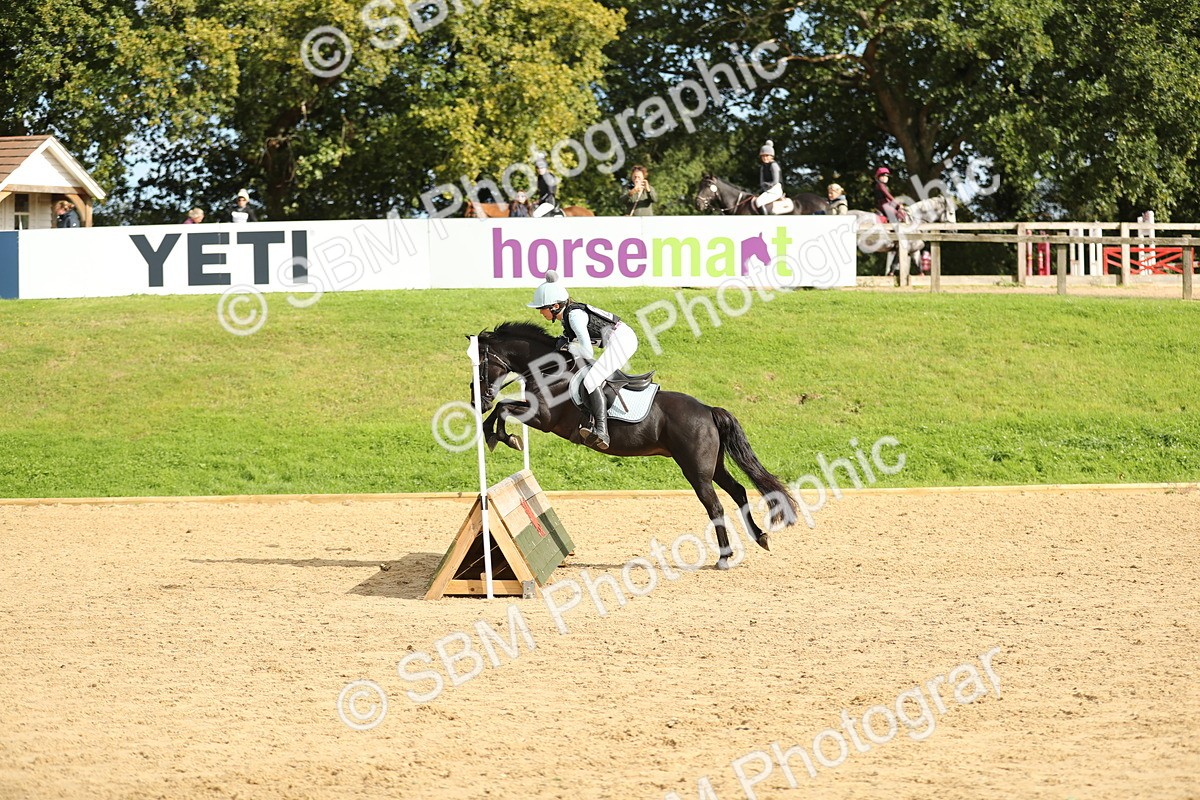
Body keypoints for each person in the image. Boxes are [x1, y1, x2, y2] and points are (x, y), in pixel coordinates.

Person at [527, 270, 639, 450]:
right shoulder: (567, 317)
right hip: (616, 340)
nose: (540, 312)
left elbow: (586, 352)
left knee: (591, 380)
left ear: (555, 306)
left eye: (542, 308)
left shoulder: (574, 316)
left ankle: (602, 431)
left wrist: (568, 346)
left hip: (623, 341)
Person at [754, 140, 783, 214]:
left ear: (771, 156)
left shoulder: (774, 165)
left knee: (758, 201)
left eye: (767, 156)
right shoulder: (762, 167)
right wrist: (763, 187)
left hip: (775, 189)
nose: (764, 158)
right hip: (766, 190)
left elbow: (775, 181)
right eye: (763, 156)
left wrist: (767, 185)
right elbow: (761, 181)